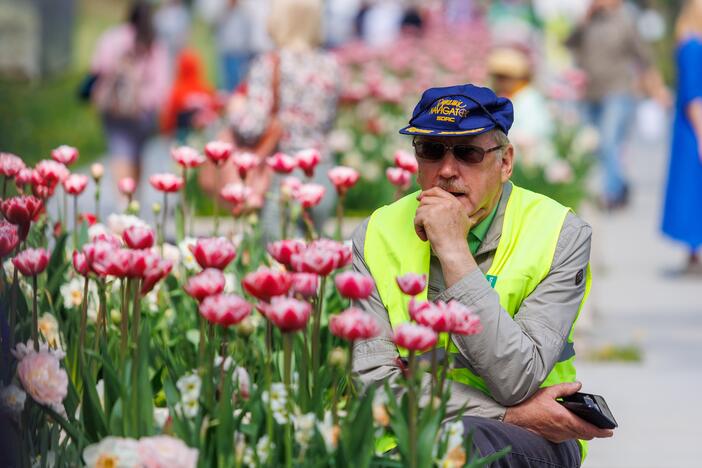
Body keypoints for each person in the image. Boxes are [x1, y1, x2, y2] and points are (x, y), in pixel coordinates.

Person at [351, 84, 614, 466]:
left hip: (531, 439)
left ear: (505, 162)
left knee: (457, 445)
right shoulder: (377, 233)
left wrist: (454, 252)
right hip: (405, 435)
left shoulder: (560, 234)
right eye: (430, 150)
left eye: (468, 153)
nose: (446, 170)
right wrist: (508, 413)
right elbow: (373, 384)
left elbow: (517, 379)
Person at [227, 0, 341, 240]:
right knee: (313, 261)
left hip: (283, 176)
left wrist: (235, 108)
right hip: (322, 173)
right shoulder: (331, 65)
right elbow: (329, 121)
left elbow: (253, 126)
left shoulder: (269, 64)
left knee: (281, 262)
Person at [566, 0, 669, 210]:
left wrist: (657, 87)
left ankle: (611, 194)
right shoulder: (590, 19)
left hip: (618, 91)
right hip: (590, 93)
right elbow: (568, 44)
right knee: (593, 145)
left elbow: (644, 57)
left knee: (609, 140)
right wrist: (583, 20)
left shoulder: (626, 20)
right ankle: (620, 184)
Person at [90, 1, 169, 196]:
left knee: (120, 150)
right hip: (141, 111)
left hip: (112, 107)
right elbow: (161, 85)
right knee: (135, 153)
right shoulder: (154, 43)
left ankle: (123, 200)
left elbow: (97, 68)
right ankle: (132, 199)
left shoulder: (112, 37)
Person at [662, 0, 702, 274]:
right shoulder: (692, 47)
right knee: (693, 191)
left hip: (689, 128)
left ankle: (693, 252)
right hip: (694, 127)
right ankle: (693, 251)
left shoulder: (687, 43)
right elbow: (694, 97)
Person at [488, 45, 555, 165]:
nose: (499, 82)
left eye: (503, 77)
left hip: (531, 161)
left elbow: (530, 134)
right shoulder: (506, 96)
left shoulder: (528, 99)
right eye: (497, 77)